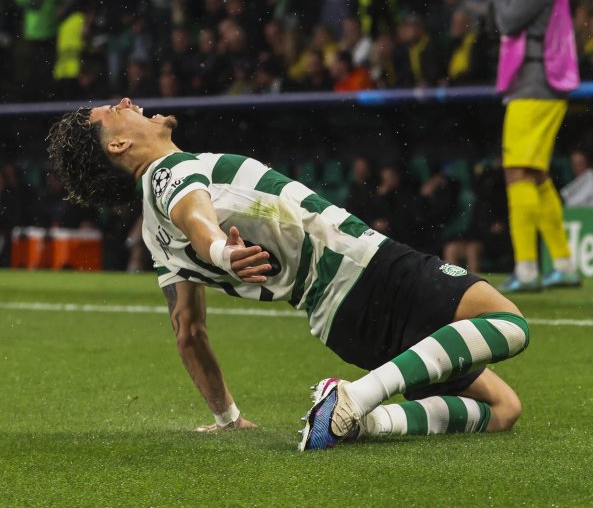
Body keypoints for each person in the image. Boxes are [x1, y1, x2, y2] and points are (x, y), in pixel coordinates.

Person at [46, 99, 530, 450]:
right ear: (119, 142)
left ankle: (365, 420)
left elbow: (187, 332)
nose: (127, 102)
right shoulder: (169, 171)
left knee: (504, 410)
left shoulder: (153, 235)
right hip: (369, 272)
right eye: (114, 109)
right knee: (510, 324)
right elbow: (195, 212)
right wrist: (219, 250)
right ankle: (355, 396)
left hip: (342, 326)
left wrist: (227, 417)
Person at [486, 0, 582, 293]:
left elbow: (508, 22)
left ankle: (526, 270)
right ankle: (564, 264)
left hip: (535, 81)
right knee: (536, 175)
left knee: (517, 172)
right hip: (541, 78)